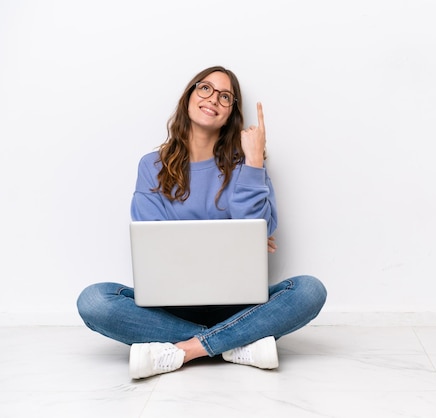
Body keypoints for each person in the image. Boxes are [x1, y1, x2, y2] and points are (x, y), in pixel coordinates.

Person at [76, 66, 327, 379]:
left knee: (310, 290)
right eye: (205, 88)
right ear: (189, 97)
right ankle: (238, 342)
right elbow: (153, 243)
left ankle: (184, 349)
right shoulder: (152, 166)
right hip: (169, 304)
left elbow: (258, 228)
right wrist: (234, 239)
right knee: (94, 300)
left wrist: (254, 162)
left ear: (231, 113)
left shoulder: (247, 164)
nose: (214, 100)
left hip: (237, 302)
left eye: (225, 97)